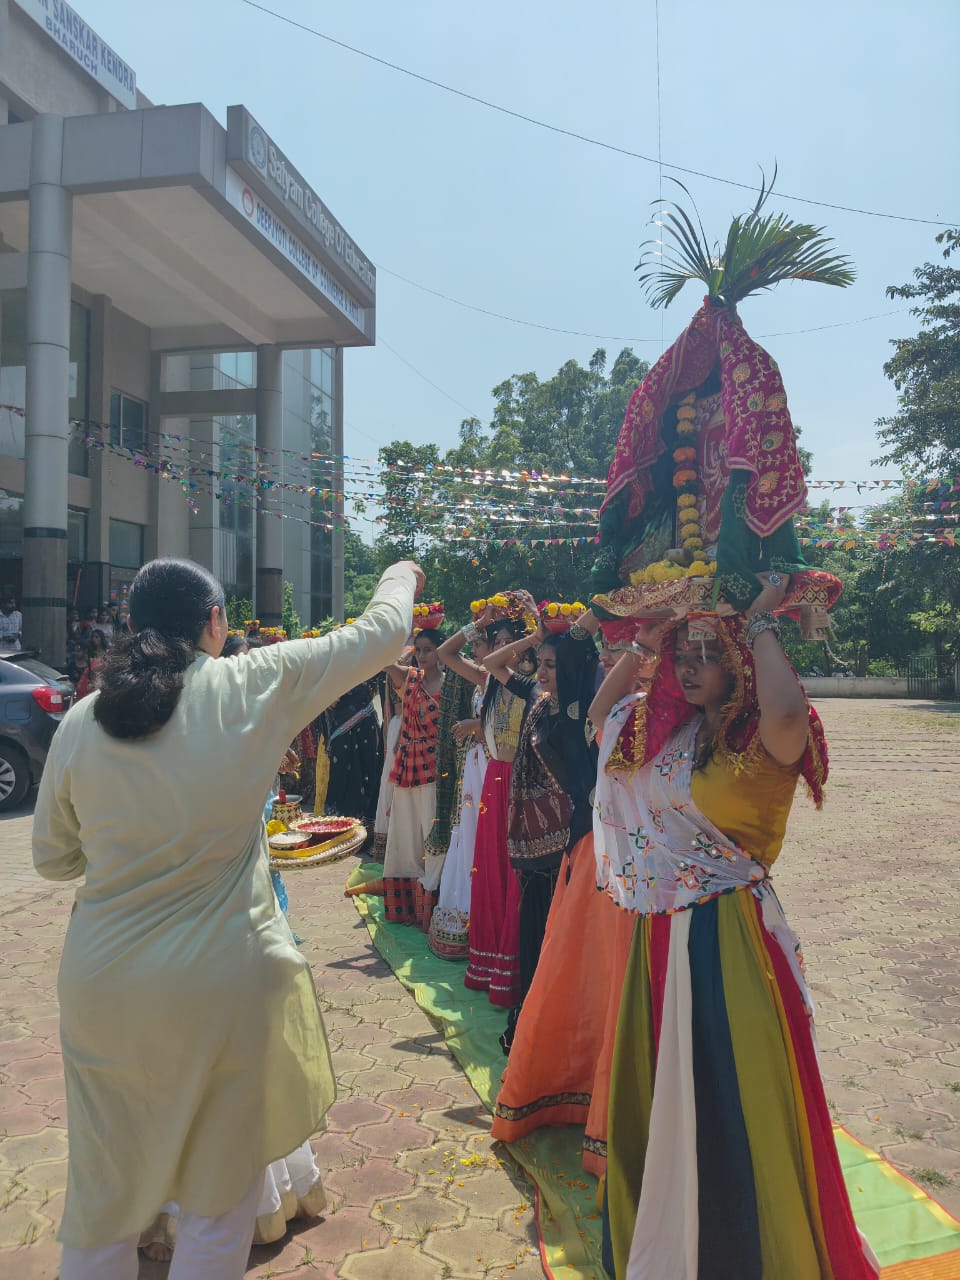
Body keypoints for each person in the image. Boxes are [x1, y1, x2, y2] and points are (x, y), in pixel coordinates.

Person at [33, 555, 420, 1280]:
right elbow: (380, 634)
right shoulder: (252, 683)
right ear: (215, 623)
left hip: (103, 987)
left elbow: (53, 859)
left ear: (131, 627)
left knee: (103, 1195)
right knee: (217, 1207)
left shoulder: (83, 721)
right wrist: (400, 573)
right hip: (221, 989)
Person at [599, 576, 880, 1280]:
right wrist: (645, 646)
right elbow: (599, 719)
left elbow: (789, 706)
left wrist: (756, 620)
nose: (690, 667)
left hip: (729, 937)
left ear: (740, 660)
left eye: (708, 653)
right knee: (669, 1088)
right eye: (684, 655)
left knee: (732, 1091)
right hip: (662, 932)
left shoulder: (764, 736)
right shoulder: (673, 730)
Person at [491, 636, 657, 1171]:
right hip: (592, 851)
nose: (543, 672)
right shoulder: (582, 712)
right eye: (606, 650)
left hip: (633, 862)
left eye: (552, 664)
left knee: (603, 974)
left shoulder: (641, 713)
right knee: (584, 971)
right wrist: (630, 644)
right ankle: (575, 1086)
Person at [483, 609, 599, 1052]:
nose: (543, 672)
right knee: (534, 933)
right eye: (542, 664)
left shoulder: (578, 711)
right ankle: (533, 1023)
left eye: (552, 665)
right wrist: (534, 638)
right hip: (530, 846)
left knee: (561, 938)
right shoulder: (535, 697)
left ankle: (558, 1032)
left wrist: (582, 625)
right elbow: (493, 665)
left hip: (566, 841)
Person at [426, 628, 492, 960]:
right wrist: (475, 625)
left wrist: (477, 726)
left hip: (494, 767)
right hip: (474, 765)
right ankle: (459, 921)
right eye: (476, 644)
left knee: (483, 837)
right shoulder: (484, 676)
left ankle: (482, 923)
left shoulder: (510, 681)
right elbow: (445, 653)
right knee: (465, 834)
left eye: (481, 643)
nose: (475, 649)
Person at [382, 628, 445, 927]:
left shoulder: (453, 684)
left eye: (428, 649)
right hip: (407, 767)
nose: (421, 655)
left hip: (434, 770)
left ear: (441, 651)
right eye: (418, 650)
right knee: (405, 835)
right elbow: (385, 663)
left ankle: (429, 907)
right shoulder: (410, 679)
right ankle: (405, 908)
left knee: (431, 836)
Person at [74, 628, 110, 701]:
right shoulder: (91, 652)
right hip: (90, 679)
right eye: (93, 637)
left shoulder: (107, 652)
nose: (94, 639)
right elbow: (91, 669)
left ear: (101, 638)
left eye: (97, 637)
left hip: (102, 679)